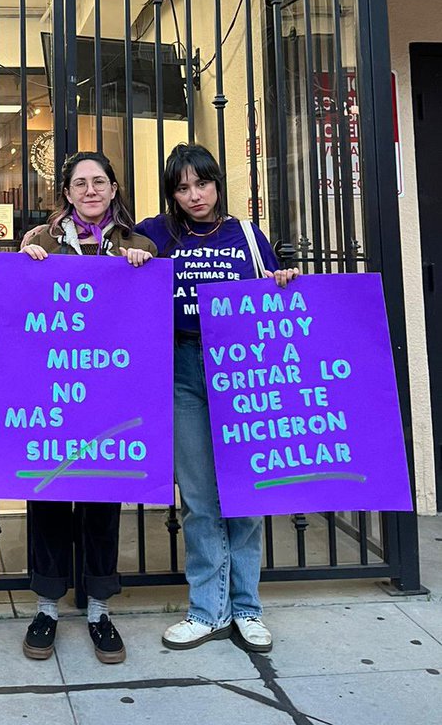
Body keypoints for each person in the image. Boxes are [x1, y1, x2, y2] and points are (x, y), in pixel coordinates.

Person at [136, 142, 299, 655]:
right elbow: (108, 267)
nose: (193, 195)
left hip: (243, 371)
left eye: (201, 184)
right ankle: (208, 611)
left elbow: (272, 293)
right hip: (182, 367)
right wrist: (132, 254)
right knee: (202, 500)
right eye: (181, 187)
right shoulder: (157, 232)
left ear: (217, 183)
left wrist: (282, 280)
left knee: (245, 496)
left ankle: (247, 608)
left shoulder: (247, 235)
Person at [20, 150, 156, 665]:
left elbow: (147, 324)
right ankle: (47, 606)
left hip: (111, 396)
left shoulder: (138, 245)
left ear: (115, 188)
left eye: (99, 181)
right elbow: (20, 316)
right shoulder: (41, 241)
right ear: (67, 192)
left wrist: (142, 271)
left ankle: (98, 607)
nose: (91, 190)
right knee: (49, 493)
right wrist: (27, 265)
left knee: (102, 494)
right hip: (52, 392)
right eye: (80, 183)